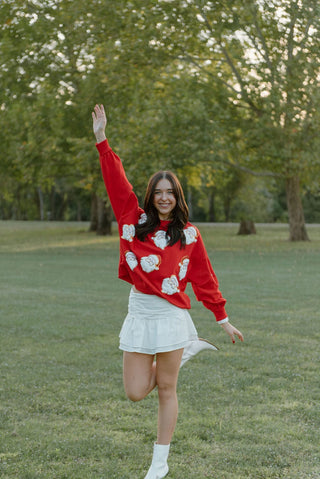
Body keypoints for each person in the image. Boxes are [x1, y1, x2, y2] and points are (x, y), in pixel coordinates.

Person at [92, 104, 244, 479]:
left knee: (166, 389)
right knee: (135, 391)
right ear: (150, 195)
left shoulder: (189, 234)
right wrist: (101, 140)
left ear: (177, 196)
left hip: (172, 314)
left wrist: (222, 319)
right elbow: (115, 181)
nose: (163, 198)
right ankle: (189, 350)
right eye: (158, 192)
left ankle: (159, 463)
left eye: (170, 193)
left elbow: (205, 278)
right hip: (140, 313)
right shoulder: (133, 219)